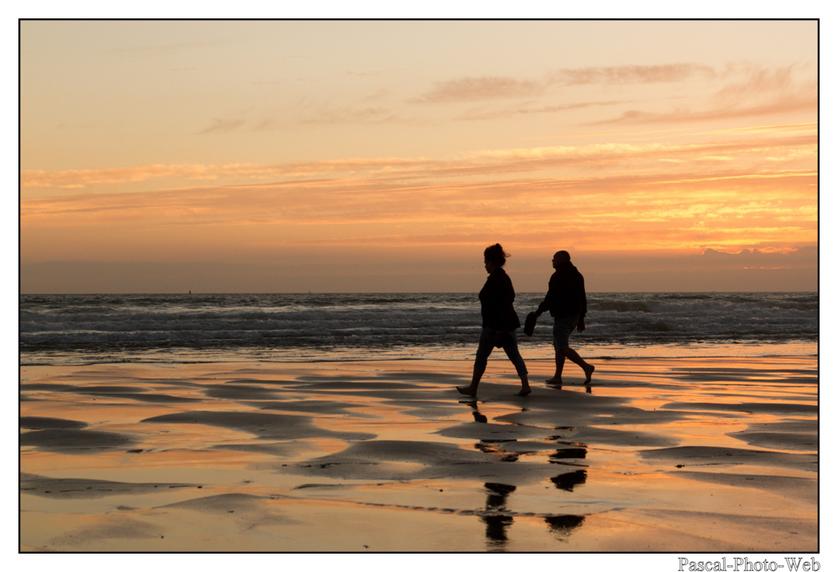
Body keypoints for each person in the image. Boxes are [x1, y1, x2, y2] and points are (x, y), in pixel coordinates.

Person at [457, 244, 531, 397]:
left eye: (486, 262)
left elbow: (503, 303)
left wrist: (499, 329)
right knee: (513, 355)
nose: (485, 265)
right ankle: (525, 385)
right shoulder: (501, 277)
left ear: (492, 262)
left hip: (495, 325)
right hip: (503, 324)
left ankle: (473, 387)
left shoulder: (497, 279)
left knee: (482, 356)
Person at [533, 250, 594, 385]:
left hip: (563, 316)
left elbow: (550, 298)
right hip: (574, 315)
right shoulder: (577, 275)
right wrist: (581, 318)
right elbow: (582, 299)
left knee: (561, 347)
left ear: (561, 260)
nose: (552, 261)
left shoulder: (558, 276)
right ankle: (557, 376)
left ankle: (586, 367)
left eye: (554, 259)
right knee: (559, 346)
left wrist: (538, 313)